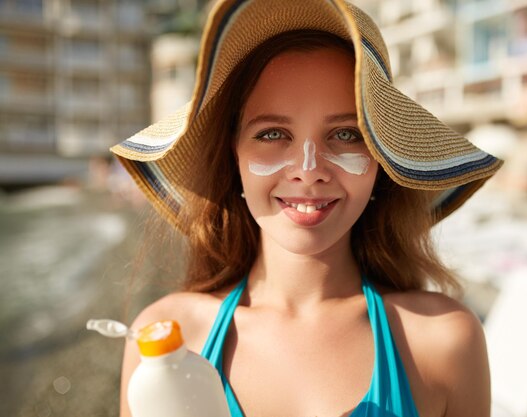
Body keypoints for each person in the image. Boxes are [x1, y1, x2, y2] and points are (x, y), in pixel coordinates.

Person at [112, 1, 503, 416]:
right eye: (273, 133)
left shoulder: (444, 341)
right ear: (234, 155)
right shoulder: (167, 342)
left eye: (347, 134)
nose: (309, 170)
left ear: (382, 160)